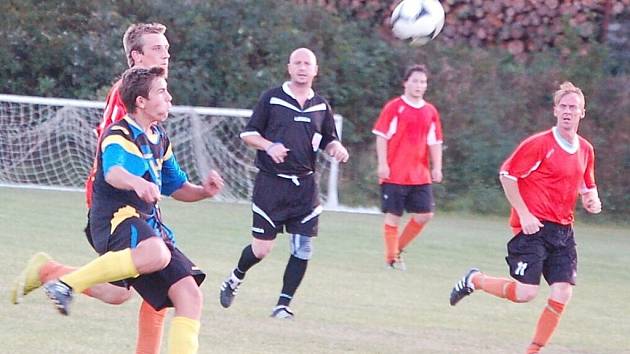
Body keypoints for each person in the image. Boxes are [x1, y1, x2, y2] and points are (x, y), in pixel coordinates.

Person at [11, 23, 172, 354]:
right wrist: (128, 186)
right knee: (164, 278)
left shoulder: (153, 92)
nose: (166, 53)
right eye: (157, 48)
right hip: (117, 202)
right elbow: (110, 144)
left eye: (166, 47)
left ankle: (49, 271)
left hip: (138, 201)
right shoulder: (125, 93)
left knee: (121, 293)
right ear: (136, 56)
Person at [42, 66, 223, 354]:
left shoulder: (159, 137)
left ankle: (57, 279)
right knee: (156, 254)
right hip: (115, 221)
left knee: (189, 295)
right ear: (141, 101)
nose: (170, 97)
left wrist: (204, 191)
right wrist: (137, 183)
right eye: (162, 92)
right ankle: (65, 284)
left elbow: (177, 187)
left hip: (146, 227)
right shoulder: (119, 134)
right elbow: (113, 172)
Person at [449, 81, 601, 354]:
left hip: (564, 231)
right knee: (526, 293)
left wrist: (592, 200)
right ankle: (475, 280)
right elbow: (508, 176)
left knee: (563, 291)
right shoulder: (539, 144)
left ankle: (533, 351)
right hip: (534, 229)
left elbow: (587, 186)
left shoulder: (586, 150)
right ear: (555, 110)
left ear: (582, 112)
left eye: (573, 107)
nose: (568, 111)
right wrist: (524, 213)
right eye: (563, 106)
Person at [218, 47, 349, 319]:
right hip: (271, 186)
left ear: (315, 70)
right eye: (297, 63)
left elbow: (327, 138)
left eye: (307, 64)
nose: (302, 68)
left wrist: (336, 147)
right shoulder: (272, 99)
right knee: (261, 249)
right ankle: (235, 277)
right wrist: (269, 146)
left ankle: (282, 305)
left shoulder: (321, 105)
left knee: (303, 246)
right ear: (289, 68)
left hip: (305, 188)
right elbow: (248, 133)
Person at [372, 64, 443, 270]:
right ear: (406, 83)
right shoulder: (394, 107)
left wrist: (437, 166)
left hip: (420, 175)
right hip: (395, 173)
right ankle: (391, 258)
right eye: (415, 81)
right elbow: (381, 136)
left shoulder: (430, 111)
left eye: (423, 82)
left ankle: (397, 250)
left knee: (425, 214)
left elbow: (435, 141)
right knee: (393, 216)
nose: (419, 85)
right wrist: (383, 163)